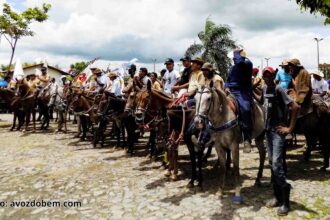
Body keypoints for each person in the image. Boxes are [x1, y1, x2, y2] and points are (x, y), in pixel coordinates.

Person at [260, 67, 299, 216]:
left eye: (268, 75)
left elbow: (295, 106)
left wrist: (289, 128)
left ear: (273, 76)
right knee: (271, 163)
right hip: (268, 132)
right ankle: (277, 197)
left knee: (277, 164)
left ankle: (286, 201)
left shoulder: (279, 89)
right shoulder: (264, 89)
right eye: (264, 75)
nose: (266, 77)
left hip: (277, 132)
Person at [225, 49, 253, 153]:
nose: (233, 59)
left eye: (235, 57)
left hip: (243, 92)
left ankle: (247, 138)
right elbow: (227, 80)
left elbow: (240, 61)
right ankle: (205, 137)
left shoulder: (247, 64)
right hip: (231, 92)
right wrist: (226, 87)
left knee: (245, 110)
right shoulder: (232, 68)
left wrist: (237, 53)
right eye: (233, 57)